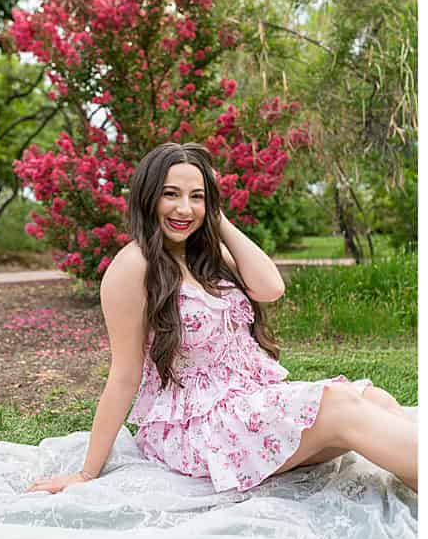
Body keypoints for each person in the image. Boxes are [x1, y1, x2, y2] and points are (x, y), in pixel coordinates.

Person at [26, 143, 417, 495]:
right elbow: (124, 375)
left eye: (197, 197)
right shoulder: (132, 268)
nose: (184, 209)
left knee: (372, 397)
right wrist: (87, 474)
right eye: (171, 194)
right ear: (148, 197)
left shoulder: (206, 256)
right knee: (341, 406)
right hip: (201, 428)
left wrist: (218, 221)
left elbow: (270, 287)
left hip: (248, 403)